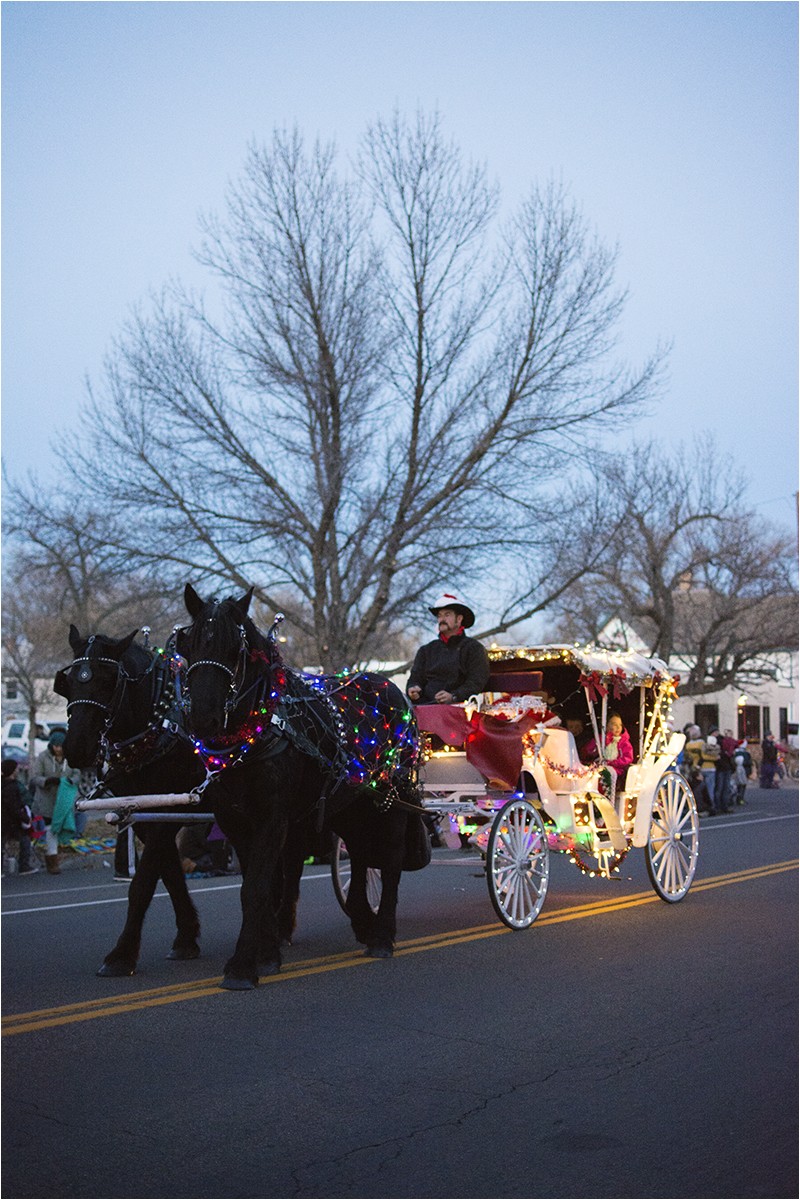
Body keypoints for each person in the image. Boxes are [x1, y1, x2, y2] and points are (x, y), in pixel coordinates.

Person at [406, 591, 490, 705]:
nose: (442, 619)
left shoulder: (473, 648)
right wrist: (413, 688)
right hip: (424, 708)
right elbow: (415, 677)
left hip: (459, 709)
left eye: (447, 615)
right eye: (439, 615)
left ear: (459, 619)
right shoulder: (426, 650)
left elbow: (476, 681)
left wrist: (454, 696)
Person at [30, 730, 81, 874]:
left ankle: (56, 851)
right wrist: (47, 781)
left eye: (61, 746)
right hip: (46, 800)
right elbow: (35, 777)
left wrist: (71, 781)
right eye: (55, 746)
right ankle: (52, 859)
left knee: (61, 827)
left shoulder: (70, 758)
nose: (58, 749)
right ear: (51, 746)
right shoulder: (42, 757)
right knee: (50, 829)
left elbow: (77, 773)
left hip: (64, 800)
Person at [2, 759, 38, 874]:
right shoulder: (12, 787)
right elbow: (14, 807)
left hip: (7, 820)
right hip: (10, 821)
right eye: (16, 769)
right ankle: (24, 865)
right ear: (12, 771)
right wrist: (25, 817)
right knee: (24, 839)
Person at [583, 713, 634, 781]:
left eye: (620, 725)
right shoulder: (601, 739)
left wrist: (614, 762)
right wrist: (597, 744)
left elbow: (628, 758)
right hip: (600, 766)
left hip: (617, 769)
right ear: (606, 726)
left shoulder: (624, 742)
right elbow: (589, 751)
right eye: (615, 724)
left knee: (605, 773)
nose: (618, 727)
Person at [733, 738, 752, 806]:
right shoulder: (746, 753)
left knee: (738, 784)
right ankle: (740, 798)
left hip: (736, 770)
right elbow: (748, 762)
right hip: (744, 770)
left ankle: (737, 797)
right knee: (742, 784)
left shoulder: (735, 752)